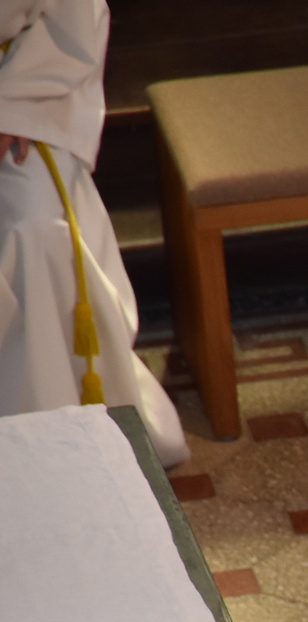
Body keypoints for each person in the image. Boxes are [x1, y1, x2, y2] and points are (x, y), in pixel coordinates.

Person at [1, 0, 189, 467]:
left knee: (35, 230)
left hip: (17, 87)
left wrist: (12, 108)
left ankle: (54, 449)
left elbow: (74, 19)